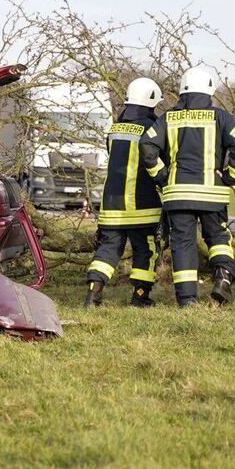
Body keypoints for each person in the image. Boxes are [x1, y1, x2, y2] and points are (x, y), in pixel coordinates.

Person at [140, 67, 235, 307]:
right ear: (209, 90)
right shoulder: (221, 117)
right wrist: (231, 177)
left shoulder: (168, 117)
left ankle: (187, 299)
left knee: (183, 244)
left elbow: (147, 145)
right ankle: (223, 278)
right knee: (219, 237)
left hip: (178, 193)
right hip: (212, 192)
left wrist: (162, 175)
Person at [84, 77, 164, 307]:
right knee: (145, 250)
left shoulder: (114, 129)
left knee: (108, 250)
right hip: (142, 205)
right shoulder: (152, 128)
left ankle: (93, 294)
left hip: (112, 206)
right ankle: (140, 297)